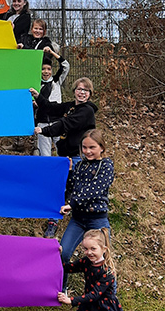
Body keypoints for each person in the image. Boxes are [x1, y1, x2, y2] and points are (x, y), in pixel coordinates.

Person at [30, 78, 98, 238]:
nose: (82, 92)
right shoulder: (71, 107)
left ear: (89, 94)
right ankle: (53, 223)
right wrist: (38, 96)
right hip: (64, 157)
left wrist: (44, 131)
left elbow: (65, 124)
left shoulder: (86, 111)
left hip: (79, 159)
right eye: (79, 89)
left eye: (86, 90)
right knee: (60, 188)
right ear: (74, 90)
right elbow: (51, 108)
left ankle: (89, 227)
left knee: (79, 191)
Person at [58, 129, 114, 291]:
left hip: (97, 220)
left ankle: (106, 296)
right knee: (63, 254)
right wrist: (69, 171)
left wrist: (72, 204)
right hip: (78, 220)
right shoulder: (80, 165)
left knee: (102, 260)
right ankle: (61, 289)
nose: (88, 151)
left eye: (92, 147)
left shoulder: (106, 165)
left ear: (101, 147)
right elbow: (72, 188)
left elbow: (95, 190)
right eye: (84, 147)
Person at [57, 228, 123, 310]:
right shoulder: (86, 261)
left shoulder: (107, 272)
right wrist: (58, 255)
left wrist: (71, 300)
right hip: (88, 302)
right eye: (85, 249)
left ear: (104, 249)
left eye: (93, 249)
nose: (89, 252)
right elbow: (68, 268)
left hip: (103, 306)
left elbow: (95, 294)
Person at [35, 46, 70, 157]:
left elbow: (65, 66)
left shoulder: (56, 81)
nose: (46, 72)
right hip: (42, 122)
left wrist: (53, 53)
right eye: (43, 69)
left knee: (62, 152)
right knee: (45, 154)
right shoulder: (35, 84)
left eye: (49, 69)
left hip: (57, 122)